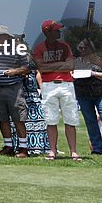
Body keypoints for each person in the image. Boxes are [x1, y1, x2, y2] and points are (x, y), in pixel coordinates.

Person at [32, 19, 81, 161]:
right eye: (56, 30)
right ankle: (53, 151)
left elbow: (70, 66)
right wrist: (61, 64)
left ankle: (73, 151)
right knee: (50, 120)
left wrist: (52, 66)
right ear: (48, 31)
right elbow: (42, 69)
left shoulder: (65, 46)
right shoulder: (39, 48)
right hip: (48, 85)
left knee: (70, 119)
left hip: (66, 84)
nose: (59, 31)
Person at [0, 24, 30, 157]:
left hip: (14, 87)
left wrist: (15, 71)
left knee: (18, 119)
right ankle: (8, 146)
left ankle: (23, 148)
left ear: (7, 37)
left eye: (1, 36)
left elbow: (26, 68)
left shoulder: (17, 50)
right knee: (2, 119)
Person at [73, 38, 102, 156]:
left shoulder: (100, 61)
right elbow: (70, 76)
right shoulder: (76, 61)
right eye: (80, 47)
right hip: (83, 95)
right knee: (90, 121)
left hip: (101, 94)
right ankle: (97, 150)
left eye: (85, 47)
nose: (83, 50)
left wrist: (93, 73)